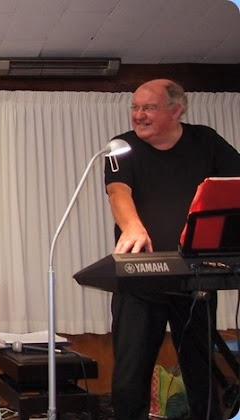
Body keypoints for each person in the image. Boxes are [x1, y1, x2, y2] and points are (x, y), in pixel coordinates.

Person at [104, 79, 240, 420]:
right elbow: (118, 193)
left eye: (148, 107)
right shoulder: (121, 147)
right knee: (129, 378)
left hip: (194, 279)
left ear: (176, 110)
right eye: (135, 107)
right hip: (139, 280)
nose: (138, 115)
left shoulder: (206, 141)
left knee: (201, 375)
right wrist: (133, 226)